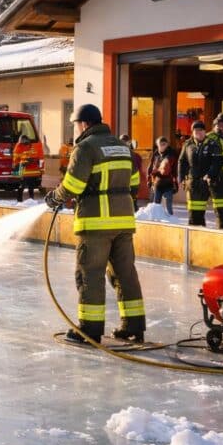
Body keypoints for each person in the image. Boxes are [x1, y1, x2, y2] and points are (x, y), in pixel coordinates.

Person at [45, 104, 145, 344]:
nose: (76, 128)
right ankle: (133, 326)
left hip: (96, 224)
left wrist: (55, 197)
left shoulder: (85, 147)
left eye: (76, 124)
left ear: (85, 124)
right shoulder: (123, 148)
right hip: (123, 223)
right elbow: (134, 183)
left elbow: (73, 186)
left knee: (90, 275)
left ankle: (89, 329)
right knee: (125, 274)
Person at [177, 121, 221, 227]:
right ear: (192, 132)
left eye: (200, 130)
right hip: (192, 182)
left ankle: (201, 230)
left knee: (203, 210)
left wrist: (210, 174)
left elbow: (216, 162)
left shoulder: (212, 144)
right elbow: (182, 161)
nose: (198, 133)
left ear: (205, 131)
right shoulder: (188, 144)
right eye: (195, 131)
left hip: (207, 181)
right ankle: (194, 230)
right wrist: (181, 177)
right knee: (193, 211)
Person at [148, 137, 178, 215]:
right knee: (156, 206)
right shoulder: (155, 154)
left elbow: (168, 169)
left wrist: (176, 182)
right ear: (157, 145)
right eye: (160, 144)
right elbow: (150, 167)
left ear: (167, 145)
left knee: (168, 207)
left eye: (164, 144)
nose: (162, 146)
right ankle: (156, 222)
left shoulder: (171, 154)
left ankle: (171, 222)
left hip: (168, 183)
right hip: (157, 183)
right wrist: (149, 180)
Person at [13, 134, 42, 201]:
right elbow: (16, 160)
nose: (25, 142)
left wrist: (32, 160)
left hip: (30, 171)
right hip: (22, 170)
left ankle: (31, 200)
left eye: (26, 141)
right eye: (23, 141)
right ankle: (19, 200)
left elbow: (35, 156)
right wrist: (23, 163)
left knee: (30, 187)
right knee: (21, 186)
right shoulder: (18, 147)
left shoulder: (30, 147)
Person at [119, 134, 144, 211]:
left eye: (125, 141)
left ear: (129, 142)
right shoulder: (119, 154)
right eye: (121, 141)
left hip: (132, 182)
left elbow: (139, 169)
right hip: (124, 182)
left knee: (132, 201)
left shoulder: (135, 156)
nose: (123, 143)